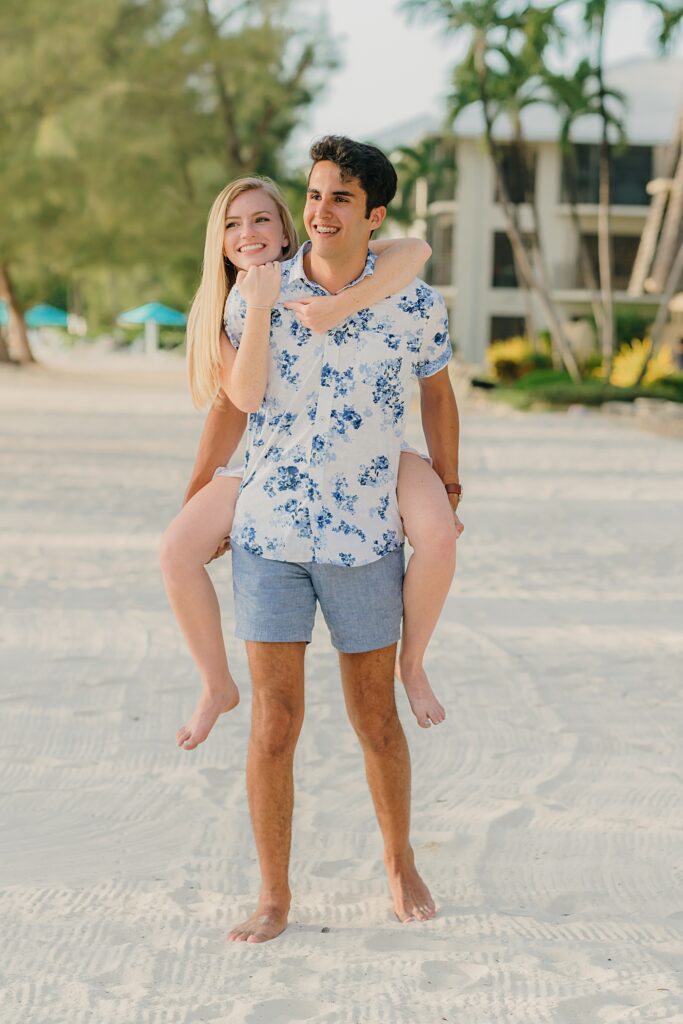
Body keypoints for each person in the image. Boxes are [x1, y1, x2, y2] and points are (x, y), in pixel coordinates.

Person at [178, 136, 462, 942]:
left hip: (366, 537)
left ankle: (399, 859)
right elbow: (233, 402)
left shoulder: (413, 301)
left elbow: (437, 397)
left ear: (373, 214)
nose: (318, 211)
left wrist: (447, 484)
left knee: (376, 720)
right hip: (271, 533)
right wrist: (200, 489)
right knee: (275, 721)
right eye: (312, 195)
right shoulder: (256, 291)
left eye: (340, 198)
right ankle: (273, 894)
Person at [160, 175, 462, 753]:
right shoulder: (226, 307)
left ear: (285, 227)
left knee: (439, 536)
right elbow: (238, 403)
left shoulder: (331, 260)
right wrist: (198, 492)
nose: (247, 233)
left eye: (260, 220)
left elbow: (416, 250)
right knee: (175, 551)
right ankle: (215, 685)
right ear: (217, 240)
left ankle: (414, 663)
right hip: (273, 465)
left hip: (367, 454)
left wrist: (343, 304)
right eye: (231, 223)